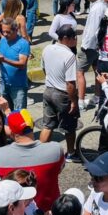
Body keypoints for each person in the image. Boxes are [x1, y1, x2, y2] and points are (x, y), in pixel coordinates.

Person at [40, 25, 79, 158]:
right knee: (70, 127)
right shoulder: (69, 56)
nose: (76, 40)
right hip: (62, 94)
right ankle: (71, 153)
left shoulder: (47, 48)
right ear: (66, 38)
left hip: (48, 91)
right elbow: (70, 84)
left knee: (47, 125)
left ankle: (39, 154)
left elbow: (44, 69)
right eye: (74, 37)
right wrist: (73, 101)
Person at [0, 16, 31, 110]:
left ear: (16, 30)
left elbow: (22, 64)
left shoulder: (23, 44)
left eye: (8, 32)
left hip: (18, 86)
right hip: (4, 83)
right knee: (5, 112)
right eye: (3, 31)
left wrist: (4, 60)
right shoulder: (2, 40)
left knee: (19, 114)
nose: (5, 34)